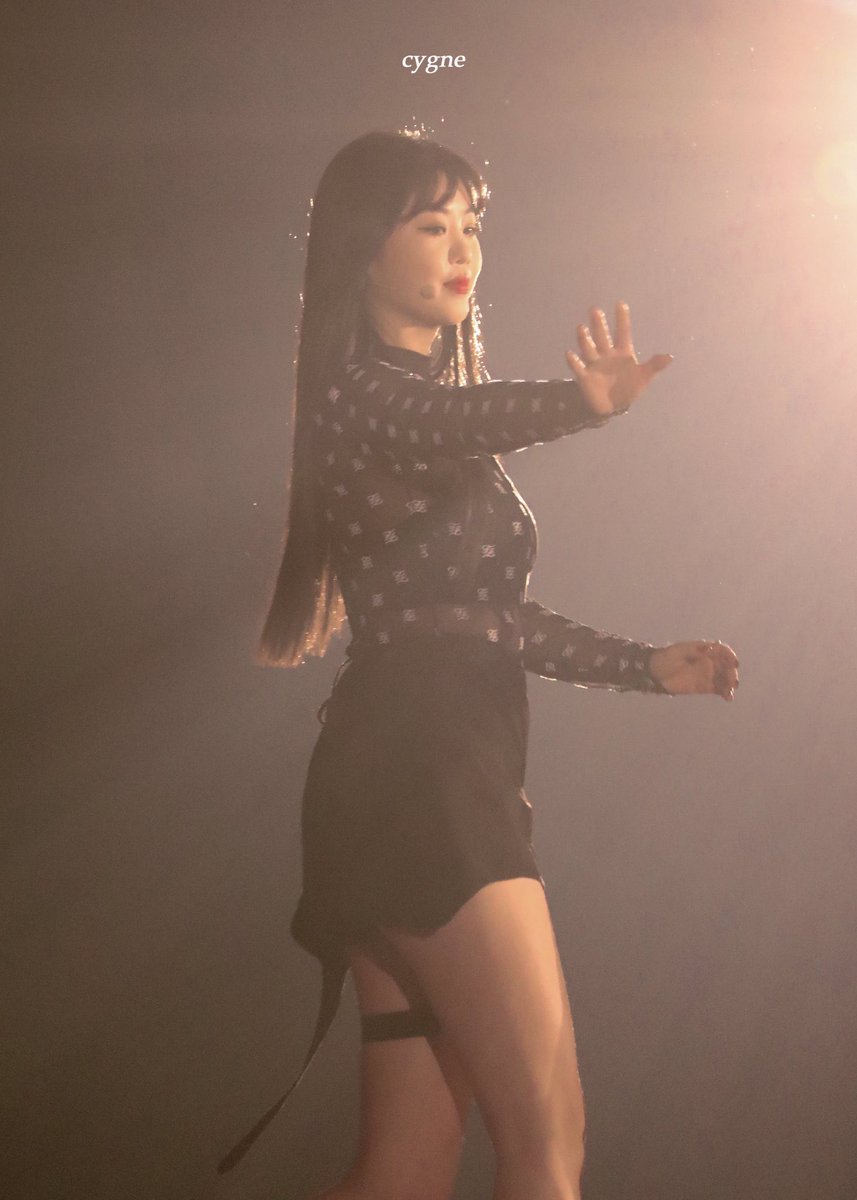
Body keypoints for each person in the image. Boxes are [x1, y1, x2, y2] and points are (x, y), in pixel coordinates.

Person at [216, 130, 740, 1199]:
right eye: (430, 224)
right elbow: (458, 415)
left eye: (471, 224)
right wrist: (579, 403)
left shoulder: (427, 428)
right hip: (424, 775)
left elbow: (483, 620)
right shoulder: (363, 397)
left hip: (421, 770)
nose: (462, 248)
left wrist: (645, 666)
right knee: (547, 1150)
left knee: (404, 1169)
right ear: (363, 247)